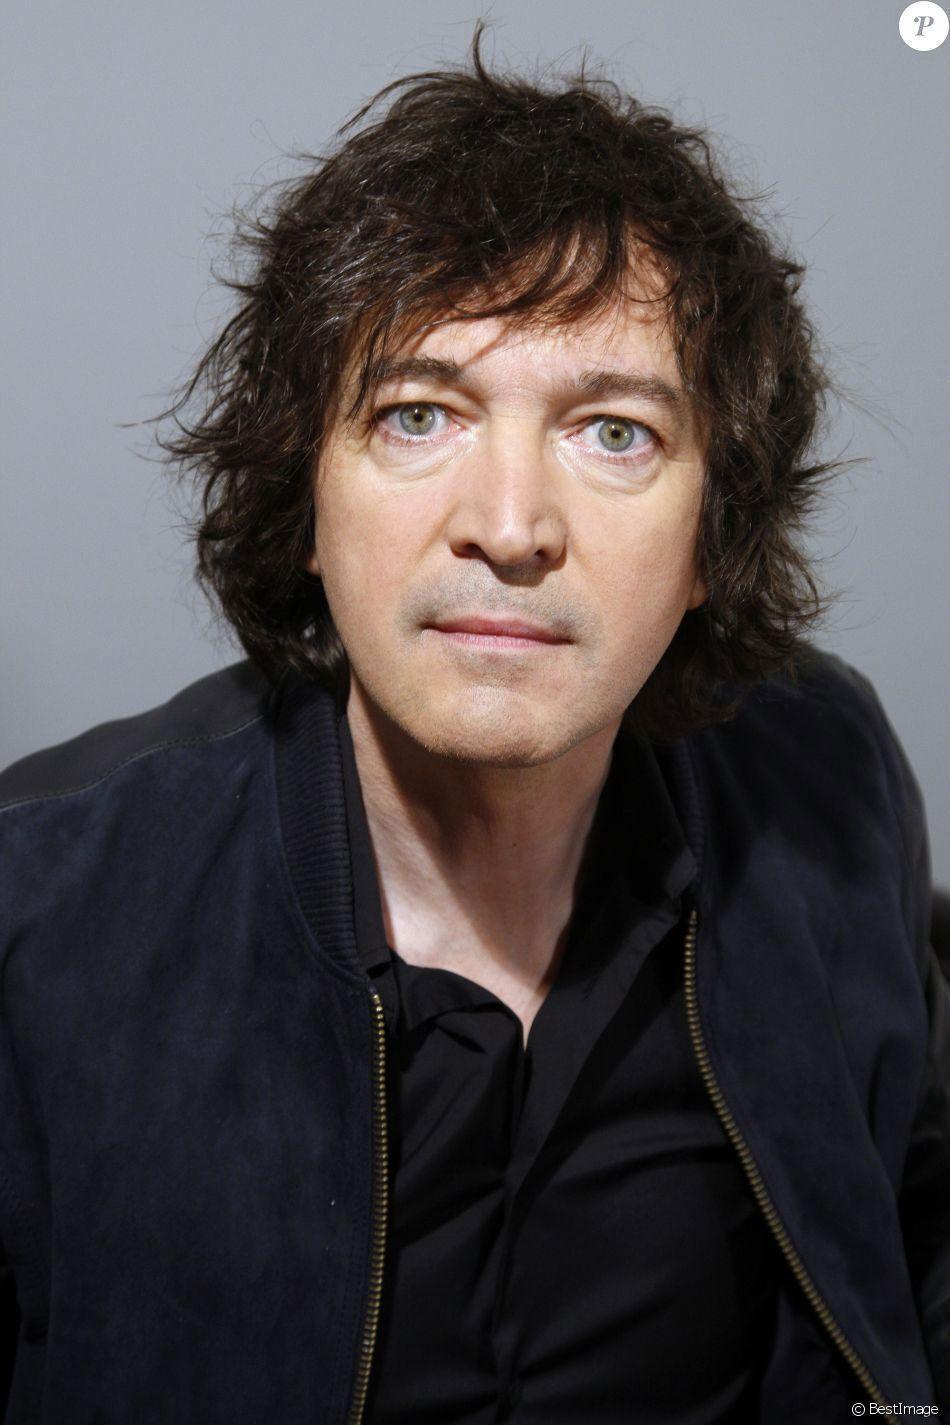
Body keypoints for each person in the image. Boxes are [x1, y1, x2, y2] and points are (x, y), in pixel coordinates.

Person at [1, 22, 947, 1424]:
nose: (509, 527)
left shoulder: (825, 778)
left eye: (614, 431)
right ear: (303, 497)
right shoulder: (39, 904)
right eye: (417, 414)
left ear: (711, 536)